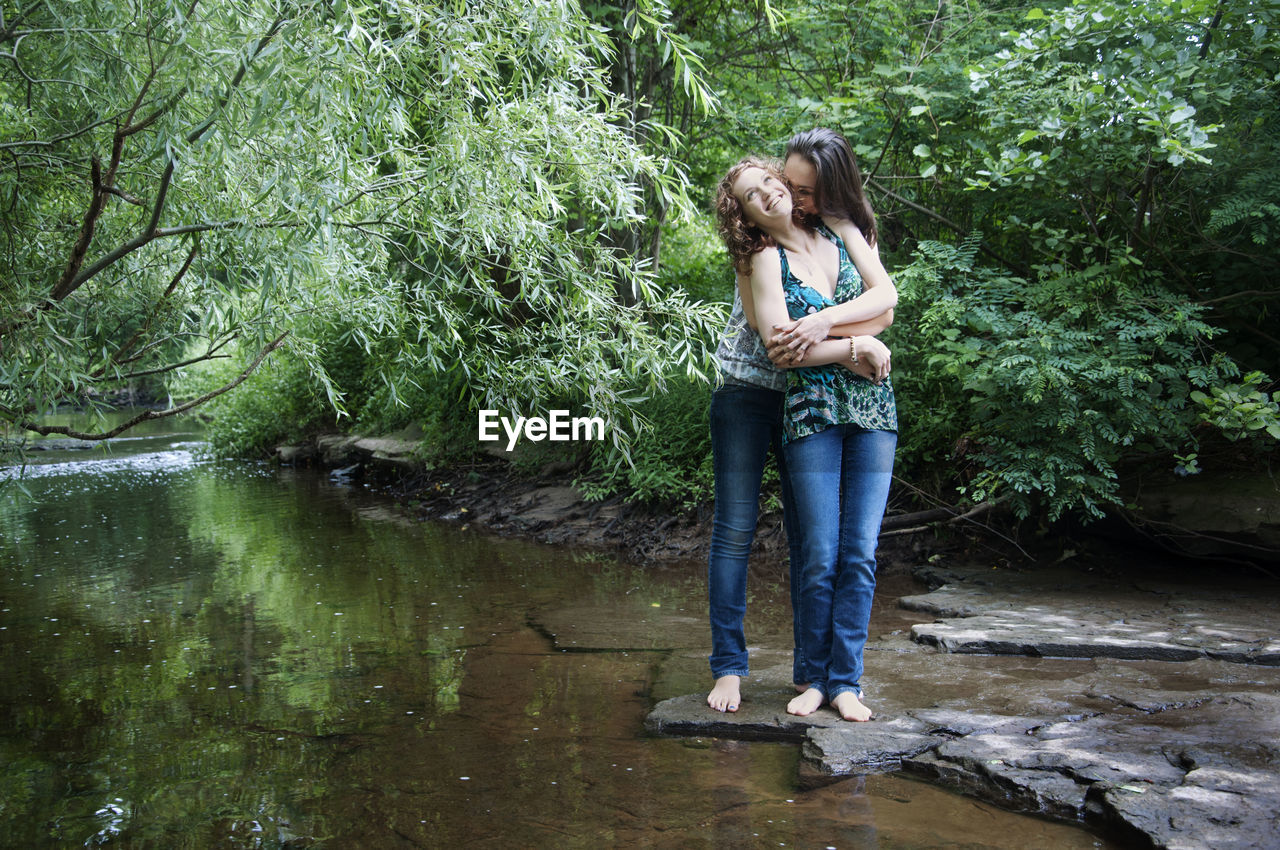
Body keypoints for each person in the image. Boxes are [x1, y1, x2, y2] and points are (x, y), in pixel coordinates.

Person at [706, 137, 895, 715]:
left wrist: (842, 332)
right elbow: (778, 345)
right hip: (750, 389)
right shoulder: (756, 251)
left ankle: (814, 675)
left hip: (808, 396)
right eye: (760, 191)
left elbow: (883, 306)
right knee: (736, 528)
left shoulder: (839, 231)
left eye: (787, 185)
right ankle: (730, 668)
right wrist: (850, 346)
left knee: (814, 540)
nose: (780, 193)